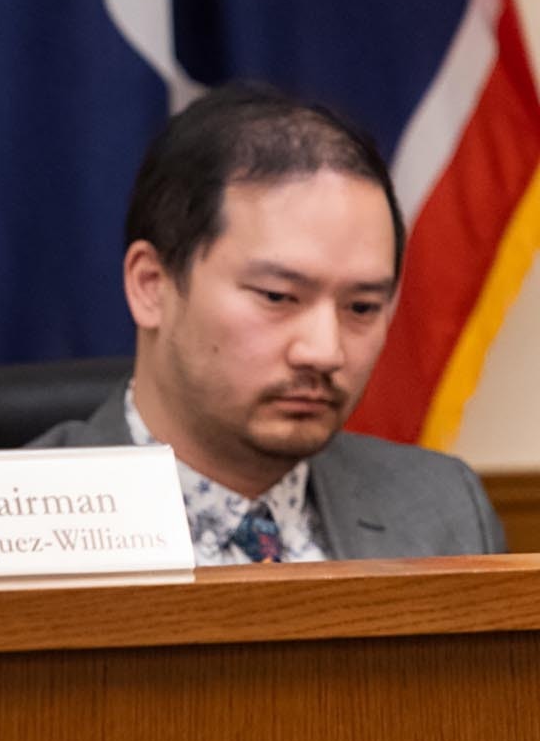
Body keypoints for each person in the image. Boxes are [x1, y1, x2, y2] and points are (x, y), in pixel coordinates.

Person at [30, 84, 504, 564]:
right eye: (278, 297)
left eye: (361, 307)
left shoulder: (443, 510)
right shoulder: (9, 526)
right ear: (152, 285)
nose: (324, 352)